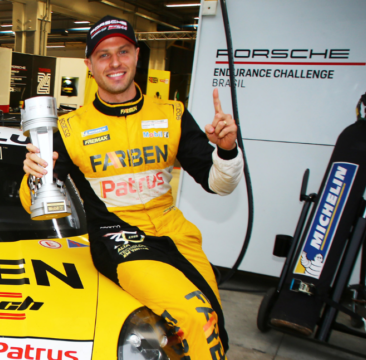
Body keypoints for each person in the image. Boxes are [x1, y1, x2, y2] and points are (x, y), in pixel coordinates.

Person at [21, 16, 242, 359]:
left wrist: (227, 150)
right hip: (118, 236)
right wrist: (34, 174)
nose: (115, 63)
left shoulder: (172, 113)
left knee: (214, 318)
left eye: (122, 51)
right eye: (103, 55)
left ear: (137, 55)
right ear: (89, 65)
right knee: (195, 315)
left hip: (176, 232)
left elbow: (219, 185)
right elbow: (35, 204)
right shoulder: (69, 128)